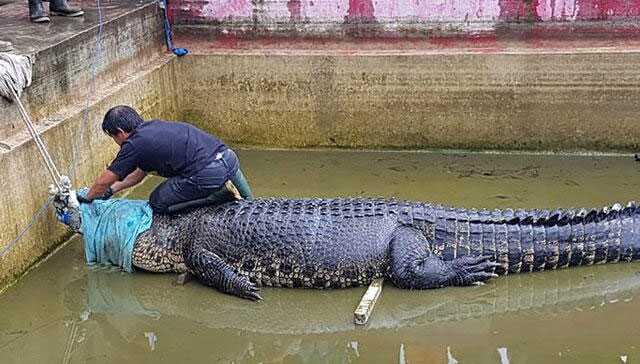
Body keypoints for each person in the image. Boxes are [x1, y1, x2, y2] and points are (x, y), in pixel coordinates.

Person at [84, 105, 253, 213]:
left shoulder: (133, 144)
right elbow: (139, 174)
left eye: (114, 137)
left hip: (209, 172)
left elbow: (103, 181)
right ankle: (250, 201)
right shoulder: (154, 128)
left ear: (120, 132)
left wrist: (87, 198)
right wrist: (112, 191)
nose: (116, 141)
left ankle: (218, 197)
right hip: (229, 159)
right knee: (251, 206)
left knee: (157, 202)